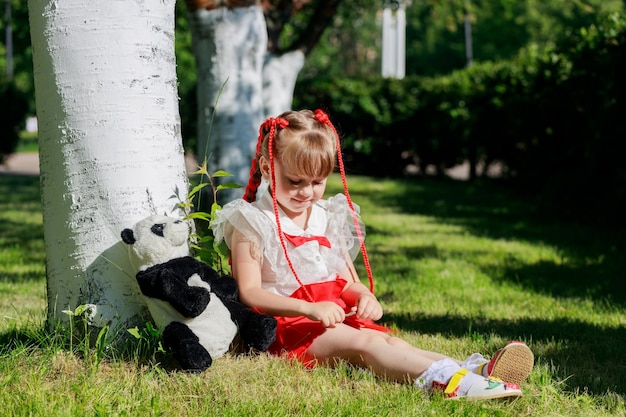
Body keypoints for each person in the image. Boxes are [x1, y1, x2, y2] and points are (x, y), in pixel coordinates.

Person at [211, 109, 534, 400]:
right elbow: (250, 292)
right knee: (365, 346)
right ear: (269, 167)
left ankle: (473, 373)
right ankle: (450, 383)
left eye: (317, 182)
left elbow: (344, 279)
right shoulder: (253, 221)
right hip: (289, 325)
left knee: (394, 344)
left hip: (332, 315)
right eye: (295, 181)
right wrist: (307, 307)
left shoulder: (326, 216)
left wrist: (363, 295)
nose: (307, 192)